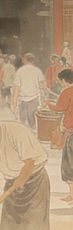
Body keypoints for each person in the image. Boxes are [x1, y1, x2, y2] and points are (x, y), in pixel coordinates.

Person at [46, 68, 73, 202]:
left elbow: (59, 108)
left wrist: (49, 104)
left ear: (63, 80)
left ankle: (72, 194)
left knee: (69, 163)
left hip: (70, 132)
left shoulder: (67, 92)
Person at [12, 53, 46, 131]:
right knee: (33, 122)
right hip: (34, 99)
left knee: (22, 122)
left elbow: (17, 88)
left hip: (22, 100)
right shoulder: (37, 71)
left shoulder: (20, 71)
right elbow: (42, 86)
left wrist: (14, 103)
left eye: (23, 59)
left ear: (25, 60)